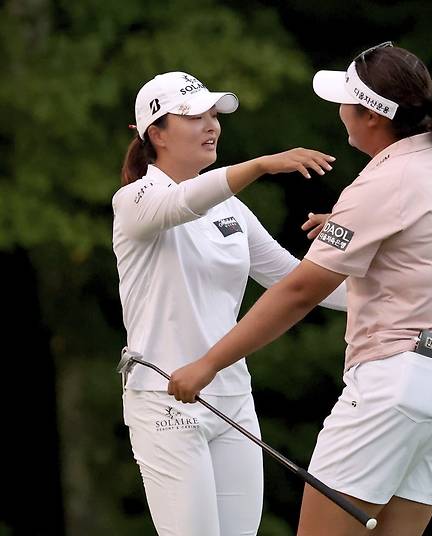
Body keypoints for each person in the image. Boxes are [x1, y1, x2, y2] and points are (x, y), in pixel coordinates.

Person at [167, 43, 432, 536]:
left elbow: (300, 291)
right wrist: (350, 229)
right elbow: (422, 241)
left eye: (346, 101)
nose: (339, 111)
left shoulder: (381, 183)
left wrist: (208, 364)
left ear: (370, 116)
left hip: (399, 384)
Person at [113, 70, 347, 536]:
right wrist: (260, 165)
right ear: (155, 133)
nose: (212, 124)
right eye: (195, 116)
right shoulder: (134, 201)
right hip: (165, 401)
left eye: (214, 114)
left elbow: (294, 280)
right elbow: (181, 204)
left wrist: (396, 291)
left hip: (233, 399)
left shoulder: (232, 209)